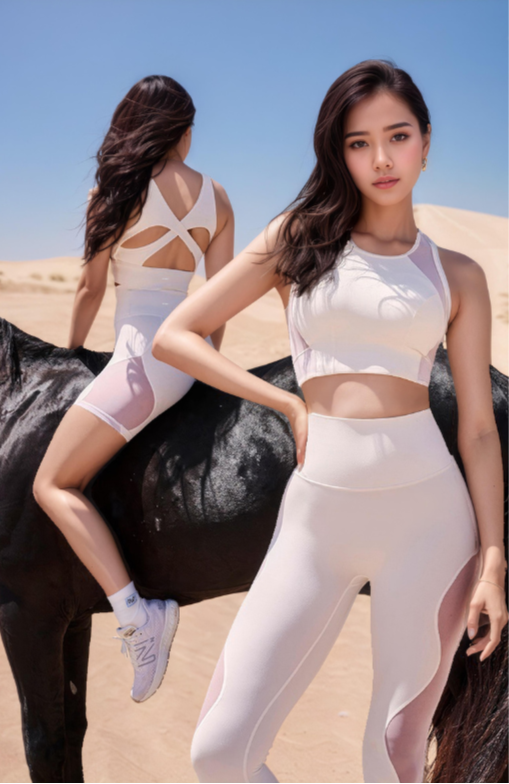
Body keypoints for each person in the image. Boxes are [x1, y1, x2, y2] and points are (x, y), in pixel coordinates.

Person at [150, 59, 508, 783]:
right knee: (219, 752)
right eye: (357, 142)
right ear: (336, 151)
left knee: (394, 757)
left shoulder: (456, 274)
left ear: (425, 144)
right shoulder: (297, 240)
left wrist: (493, 560)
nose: (380, 159)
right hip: (315, 521)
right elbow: (177, 334)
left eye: (397, 136)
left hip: (431, 529)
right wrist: (284, 402)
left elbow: (475, 428)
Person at [32, 75, 234, 704]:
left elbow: (91, 289)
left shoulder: (115, 189)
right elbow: (218, 303)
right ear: (182, 128)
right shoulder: (218, 197)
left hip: (139, 363)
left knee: (51, 483)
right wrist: (204, 369)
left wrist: (68, 358)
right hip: (186, 359)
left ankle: (134, 612)